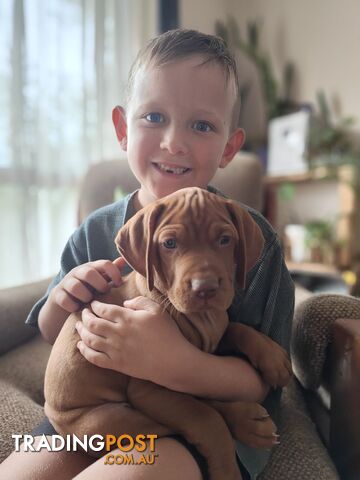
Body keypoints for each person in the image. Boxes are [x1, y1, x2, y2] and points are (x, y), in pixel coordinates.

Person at [0, 29, 294, 480]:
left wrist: (172, 362)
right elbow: (50, 332)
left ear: (230, 147)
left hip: (196, 423)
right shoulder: (96, 230)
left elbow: (266, 378)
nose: (174, 142)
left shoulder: (255, 236)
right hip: (96, 413)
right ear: (122, 129)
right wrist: (63, 297)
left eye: (201, 125)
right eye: (154, 116)